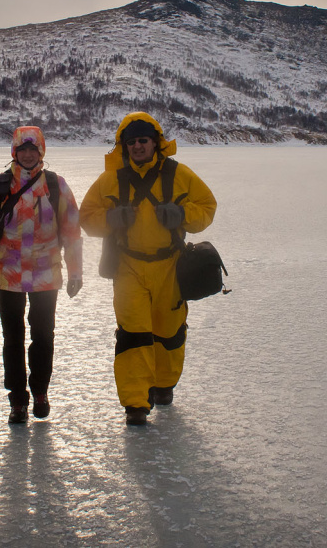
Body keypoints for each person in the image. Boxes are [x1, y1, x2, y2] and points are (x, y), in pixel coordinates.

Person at [80, 112, 216, 425]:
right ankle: (136, 403)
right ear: (124, 147)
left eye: (143, 140)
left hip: (170, 266)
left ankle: (164, 385)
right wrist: (111, 219)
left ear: (155, 143)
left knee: (169, 332)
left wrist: (181, 214)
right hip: (128, 267)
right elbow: (86, 217)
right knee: (133, 334)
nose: (138, 146)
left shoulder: (179, 174)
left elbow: (207, 207)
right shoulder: (110, 180)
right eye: (132, 142)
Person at [0, 126, 83, 424]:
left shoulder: (56, 185)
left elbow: (71, 231)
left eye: (33, 150)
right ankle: (17, 399)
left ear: (41, 152)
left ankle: (40, 391)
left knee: (43, 335)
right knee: (13, 338)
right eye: (23, 150)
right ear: (14, 153)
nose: (28, 155)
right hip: (8, 273)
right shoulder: (0, 185)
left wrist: (75, 271)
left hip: (46, 274)